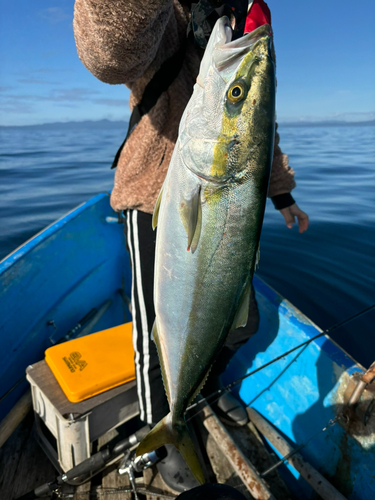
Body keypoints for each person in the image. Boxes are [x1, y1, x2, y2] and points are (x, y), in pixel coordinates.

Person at [73, 0, 309, 491]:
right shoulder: (164, 18)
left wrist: (282, 193)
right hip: (151, 197)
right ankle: (162, 432)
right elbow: (106, 54)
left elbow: (257, 125)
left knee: (244, 324)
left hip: (220, 200)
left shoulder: (238, 19)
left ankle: (201, 386)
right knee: (151, 334)